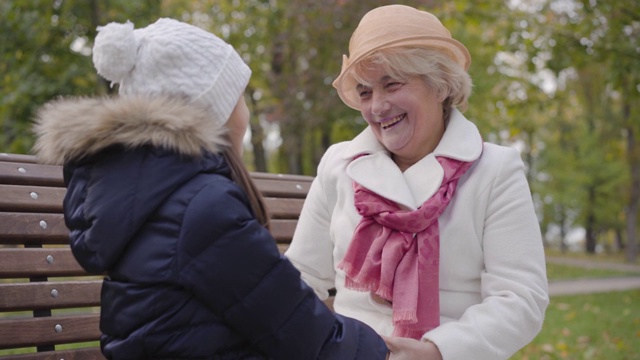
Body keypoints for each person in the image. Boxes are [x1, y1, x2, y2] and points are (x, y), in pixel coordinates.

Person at [32, 18, 388, 360]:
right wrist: (385, 350)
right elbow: (300, 331)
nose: (245, 111)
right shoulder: (202, 207)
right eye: (240, 95)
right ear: (216, 110)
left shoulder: (151, 194)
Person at [285, 4, 549, 360]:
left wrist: (438, 351)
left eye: (391, 84)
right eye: (364, 92)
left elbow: (521, 297)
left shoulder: (495, 169)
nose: (377, 107)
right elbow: (301, 278)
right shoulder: (339, 164)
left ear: (440, 85)